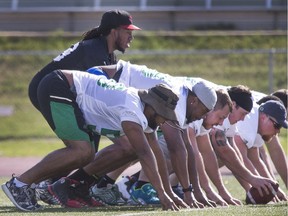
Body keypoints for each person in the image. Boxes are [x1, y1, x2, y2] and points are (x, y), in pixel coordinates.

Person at [1, 69, 182, 212]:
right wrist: (161, 193)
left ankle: (68, 185)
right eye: (164, 115)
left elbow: (155, 152)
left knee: (114, 149)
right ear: (153, 107)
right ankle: (19, 184)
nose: (165, 120)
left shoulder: (145, 111)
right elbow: (145, 154)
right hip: (59, 85)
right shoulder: (132, 109)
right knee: (82, 152)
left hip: (67, 89)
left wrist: (168, 193)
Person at [48, 60, 218, 208]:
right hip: (95, 84)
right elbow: (176, 149)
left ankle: (75, 184)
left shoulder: (175, 102)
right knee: (120, 148)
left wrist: (179, 191)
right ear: (194, 101)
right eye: (204, 111)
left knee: (132, 147)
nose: (203, 117)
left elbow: (179, 149)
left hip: (122, 95)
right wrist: (184, 192)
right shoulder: (177, 103)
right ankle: (52, 183)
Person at [28, 9, 141, 152]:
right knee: (82, 151)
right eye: (128, 32)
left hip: (62, 93)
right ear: (114, 32)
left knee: (90, 151)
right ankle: (31, 176)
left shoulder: (106, 53)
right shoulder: (95, 51)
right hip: (47, 91)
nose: (131, 37)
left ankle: (80, 175)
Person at [234, 100, 288, 202]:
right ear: (264, 118)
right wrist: (259, 186)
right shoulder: (249, 122)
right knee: (226, 154)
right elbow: (240, 158)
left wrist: (273, 188)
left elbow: (256, 160)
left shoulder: (258, 125)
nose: (278, 131)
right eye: (277, 126)